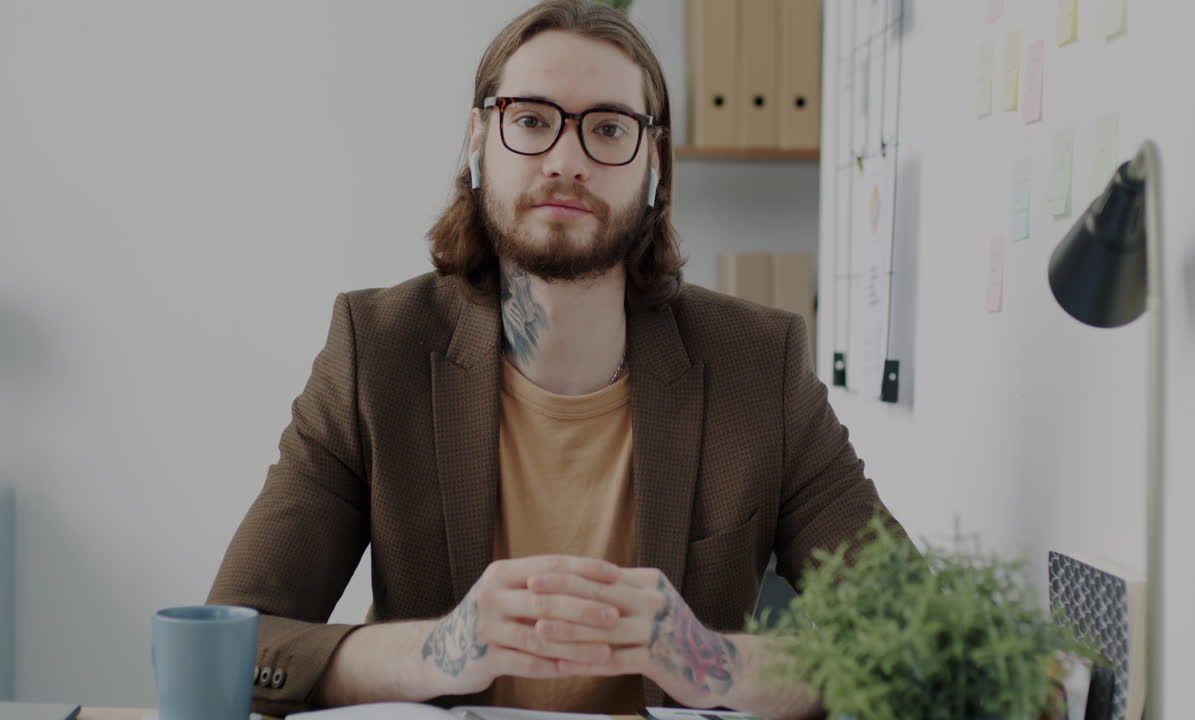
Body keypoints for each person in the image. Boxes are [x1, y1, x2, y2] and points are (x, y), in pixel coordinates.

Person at [207, 1, 910, 718]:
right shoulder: (375, 350)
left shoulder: (759, 364)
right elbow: (231, 644)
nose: (566, 161)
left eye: (609, 128)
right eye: (531, 119)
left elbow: (919, 644)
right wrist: (438, 650)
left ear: (655, 164)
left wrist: (711, 660)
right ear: (479, 141)